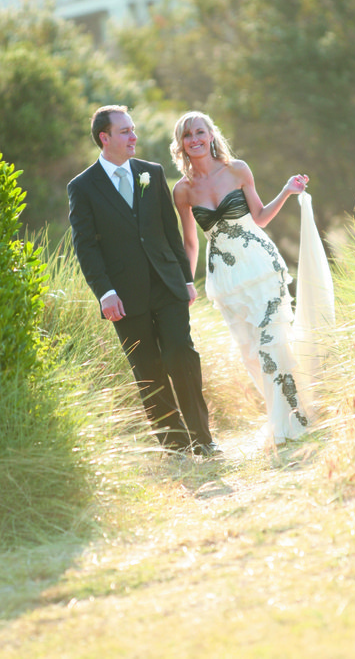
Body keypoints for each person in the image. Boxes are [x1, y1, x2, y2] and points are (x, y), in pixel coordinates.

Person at [67, 105, 221, 458]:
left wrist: (185, 278)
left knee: (182, 354)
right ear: (104, 138)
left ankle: (203, 439)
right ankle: (176, 447)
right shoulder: (82, 187)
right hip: (122, 296)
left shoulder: (151, 172)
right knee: (148, 370)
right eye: (125, 131)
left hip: (167, 284)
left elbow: (170, 230)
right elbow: (85, 246)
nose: (134, 136)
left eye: (133, 129)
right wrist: (105, 292)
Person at [171, 111, 310, 446]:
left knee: (272, 341)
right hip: (225, 277)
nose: (195, 140)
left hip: (260, 266)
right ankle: (280, 415)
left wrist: (286, 191)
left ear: (211, 134)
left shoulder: (238, 170)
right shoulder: (183, 191)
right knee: (250, 351)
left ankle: (296, 418)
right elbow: (191, 242)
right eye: (188, 136)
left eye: (200, 132)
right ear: (181, 145)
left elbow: (260, 218)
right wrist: (188, 281)